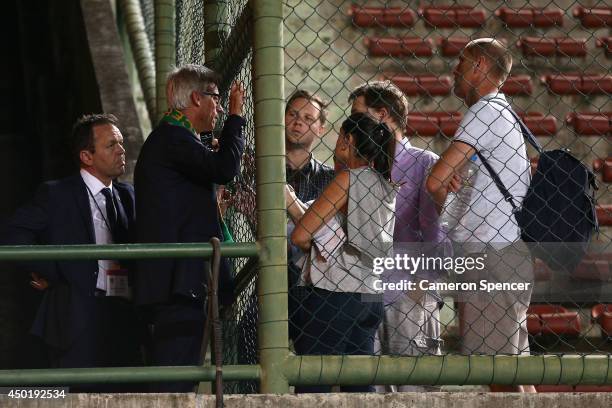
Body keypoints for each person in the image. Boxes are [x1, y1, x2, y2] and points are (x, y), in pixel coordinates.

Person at [426, 38, 535, 392]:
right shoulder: (503, 112)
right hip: (502, 253)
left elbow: (435, 180)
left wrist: (444, 182)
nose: (454, 69)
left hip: (489, 255)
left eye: (462, 61)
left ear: (479, 67)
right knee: (514, 370)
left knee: (497, 375)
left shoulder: (485, 110)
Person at [2, 114, 141, 391]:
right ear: (86, 156)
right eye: (111, 145)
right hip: (77, 318)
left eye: (122, 143)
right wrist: (53, 269)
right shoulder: (57, 194)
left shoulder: (128, 195)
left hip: (123, 316)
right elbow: (13, 234)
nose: (121, 150)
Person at [133, 64, 245, 392]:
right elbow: (224, 168)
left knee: (179, 380)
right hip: (177, 286)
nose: (220, 107)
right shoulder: (172, 139)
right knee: (174, 385)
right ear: (197, 98)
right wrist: (237, 118)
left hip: (177, 283)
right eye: (216, 99)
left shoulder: (174, 139)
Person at [286, 112, 397, 393]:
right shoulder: (385, 185)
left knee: (314, 385)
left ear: (348, 140)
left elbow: (300, 235)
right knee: (359, 389)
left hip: (335, 296)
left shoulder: (347, 179)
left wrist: (317, 241)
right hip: (370, 296)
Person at [349, 81, 447, 392]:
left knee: (416, 389)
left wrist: (424, 288)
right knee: (373, 389)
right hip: (366, 291)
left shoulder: (424, 163)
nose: (351, 126)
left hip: (410, 293)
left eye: (359, 116)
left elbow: (436, 234)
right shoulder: (355, 165)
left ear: (381, 115)